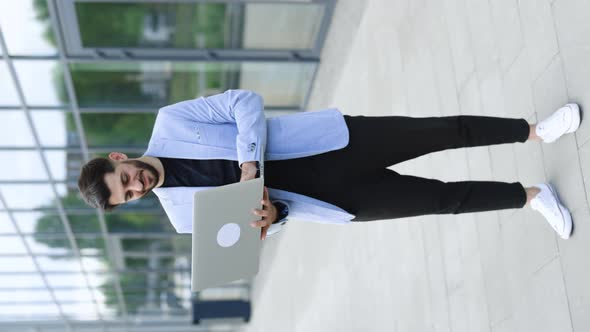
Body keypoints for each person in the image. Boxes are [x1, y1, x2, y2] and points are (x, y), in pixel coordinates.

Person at [78, 89, 581, 240]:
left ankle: (534, 130)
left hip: (336, 142)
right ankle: (531, 197)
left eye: (125, 178)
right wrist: (271, 220)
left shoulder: (171, 122)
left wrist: (248, 164)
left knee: (440, 131)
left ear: (119, 158)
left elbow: (244, 103)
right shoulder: (182, 218)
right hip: (332, 201)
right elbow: (255, 234)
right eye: (129, 196)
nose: (137, 186)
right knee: (440, 201)